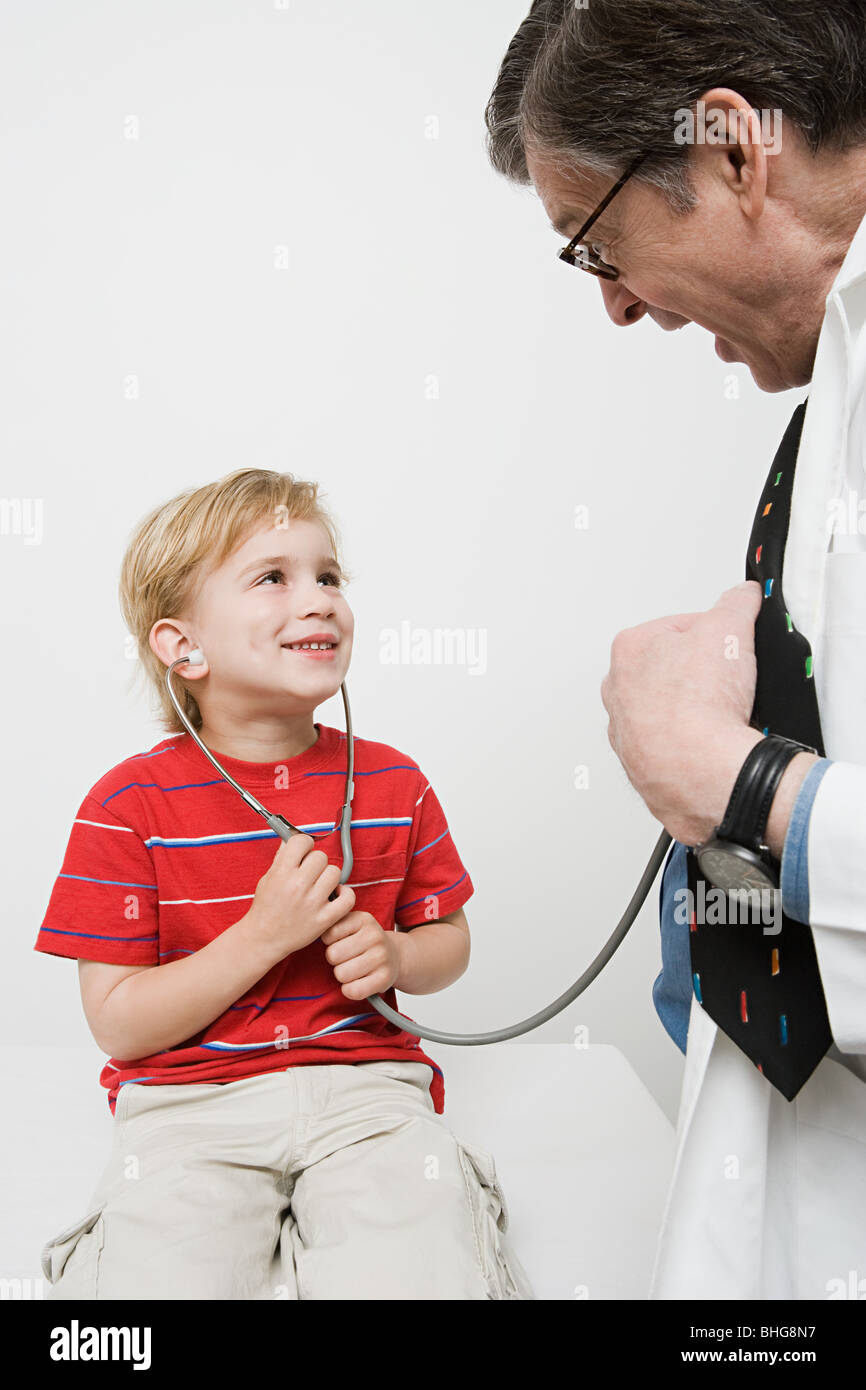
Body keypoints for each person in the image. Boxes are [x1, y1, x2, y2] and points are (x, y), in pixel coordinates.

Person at [484, 0, 866, 1298]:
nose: (616, 309)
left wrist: (746, 787)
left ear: (728, 150)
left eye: (593, 245)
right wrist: (720, 877)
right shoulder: (834, 385)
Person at [34, 467, 534, 1301]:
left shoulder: (392, 782)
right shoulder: (126, 806)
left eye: (328, 575)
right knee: (149, 1281)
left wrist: (397, 956)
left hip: (368, 1098)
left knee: (423, 1264)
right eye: (274, 577)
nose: (320, 599)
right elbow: (119, 1025)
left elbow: (451, 944)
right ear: (181, 646)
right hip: (191, 1107)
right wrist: (263, 936)